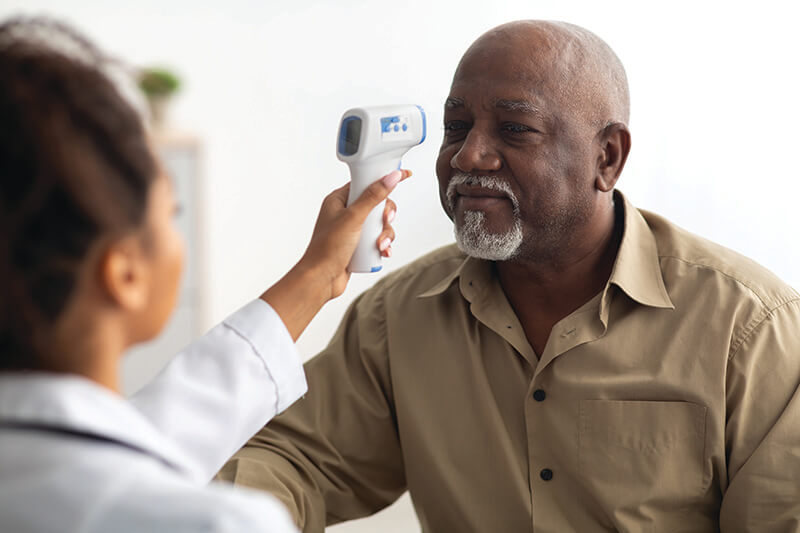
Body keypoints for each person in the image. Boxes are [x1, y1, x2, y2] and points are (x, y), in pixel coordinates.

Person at [217, 20, 800, 532]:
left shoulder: (751, 329)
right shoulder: (400, 313)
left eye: (515, 130)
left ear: (608, 158)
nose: (469, 156)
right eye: (456, 126)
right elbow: (298, 460)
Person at [0, 17, 411, 533]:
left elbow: (157, 432)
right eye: (172, 212)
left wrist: (316, 274)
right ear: (125, 274)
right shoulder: (220, 524)